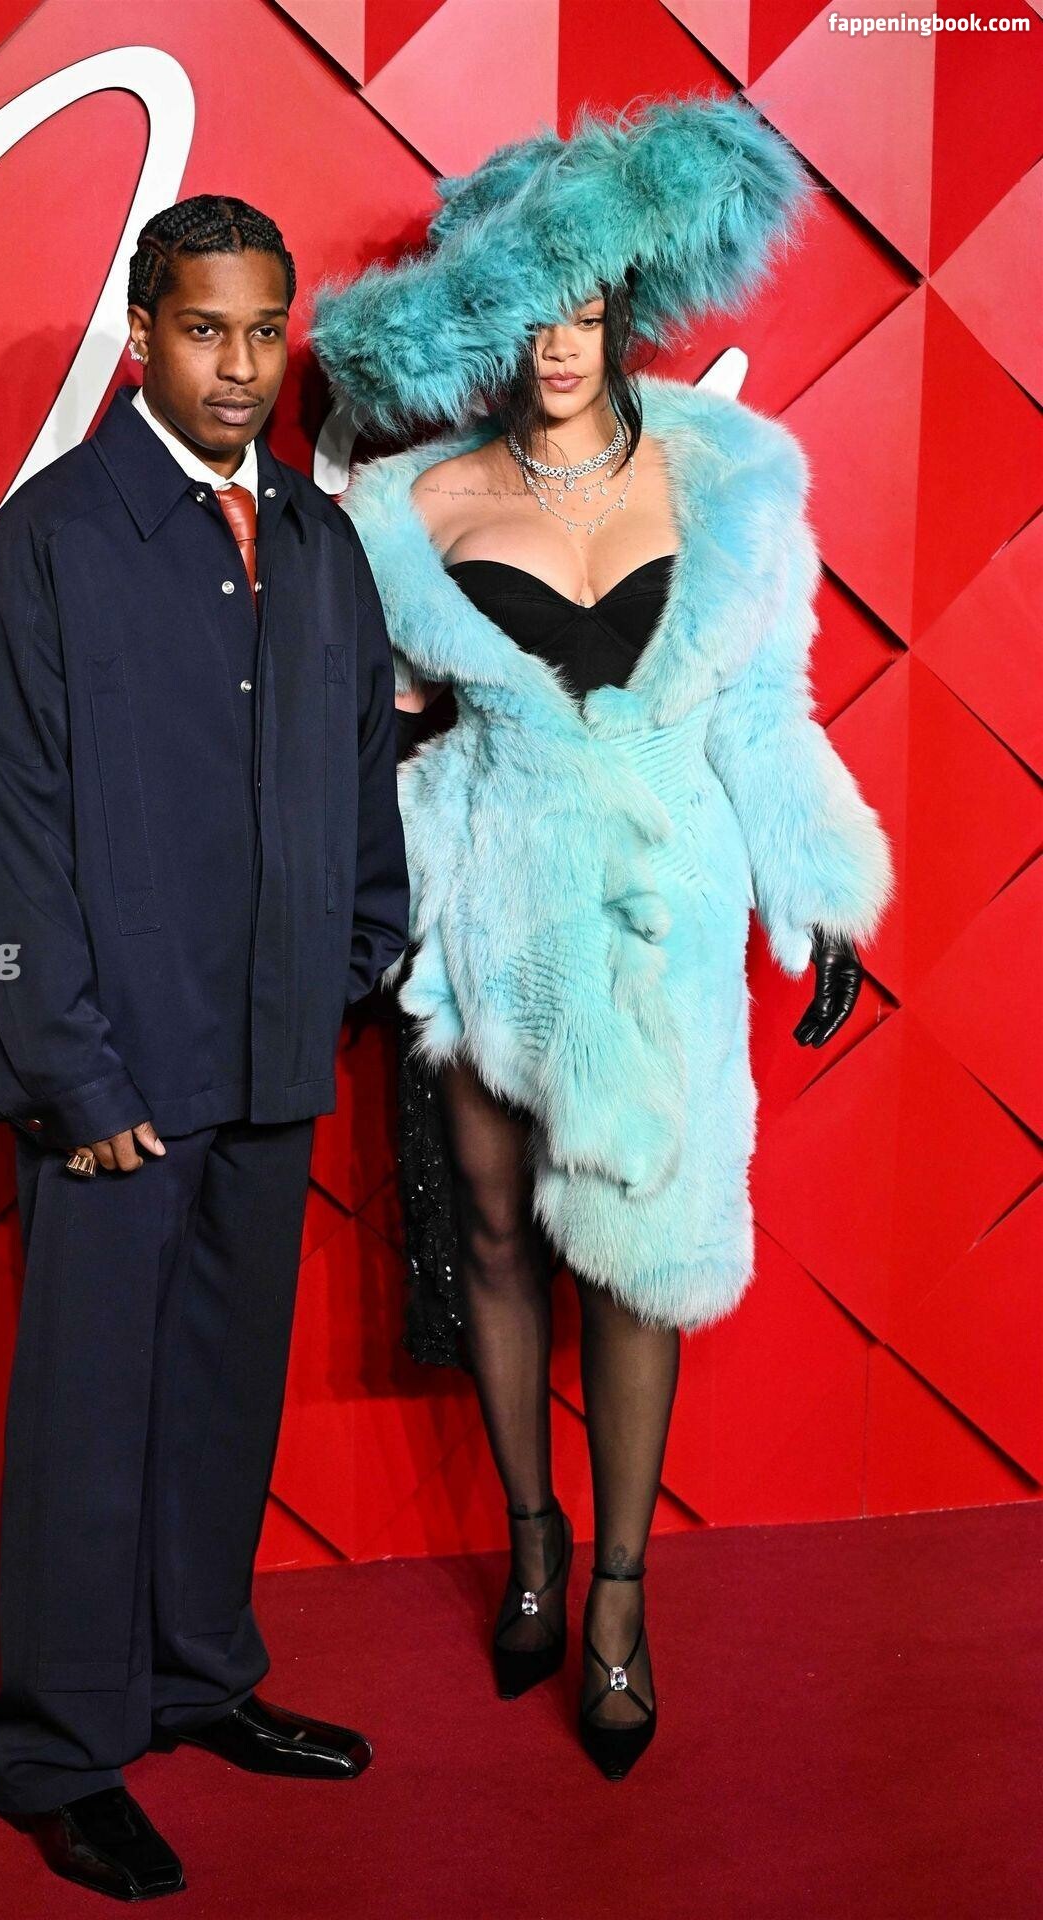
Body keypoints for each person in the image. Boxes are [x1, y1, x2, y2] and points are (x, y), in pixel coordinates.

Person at [310, 96, 894, 1782]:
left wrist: (818, 887)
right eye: (526, 314)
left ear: (623, 305)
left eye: (582, 307)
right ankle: (533, 1540)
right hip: (489, 907)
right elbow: (374, 726)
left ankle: (622, 1599)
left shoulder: (737, 479)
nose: (558, 345)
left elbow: (766, 712)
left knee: (639, 1254)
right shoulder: (404, 509)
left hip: (663, 915)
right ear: (485, 330)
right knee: (497, 1234)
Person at [0, 194, 408, 1899]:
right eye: (206, 331)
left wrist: (353, 960)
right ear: (142, 335)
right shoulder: (47, 545)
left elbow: (360, 777)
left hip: (273, 1054)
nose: (239, 366)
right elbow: (5, 834)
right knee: (88, 1418)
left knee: (222, 1392)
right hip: (116, 1079)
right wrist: (68, 1071)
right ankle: (63, 1751)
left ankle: (200, 1678)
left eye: (264, 333)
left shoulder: (321, 541)